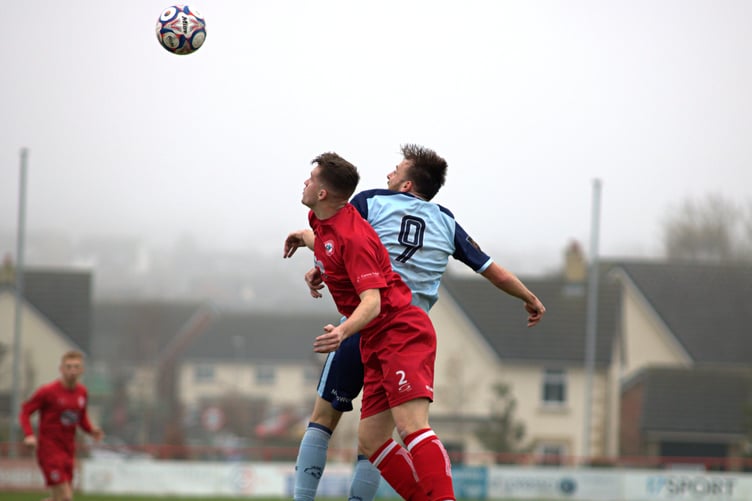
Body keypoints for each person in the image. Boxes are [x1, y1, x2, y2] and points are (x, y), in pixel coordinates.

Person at [284, 144, 546, 501]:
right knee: (373, 439)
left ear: (407, 186)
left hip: (380, 325)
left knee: (331, 420)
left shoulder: (370, 202)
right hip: (386, 327)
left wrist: (322, 268)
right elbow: (492, 271)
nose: (389, 174)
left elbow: (343, 241)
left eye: (396, 169)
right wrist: (527, 297)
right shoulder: (447, 222)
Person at [290, 151, 461, 500]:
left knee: (411, 426)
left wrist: (342, 331)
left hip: (398, 329)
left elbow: (373, 300)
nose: (305, 183)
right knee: (371, 439)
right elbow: (323, 241)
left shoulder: (358, 230)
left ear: (323, 193)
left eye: (311, 179)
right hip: (373, 337)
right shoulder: (326, 221)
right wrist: (302, 239)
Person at [19, 350, 104, 501]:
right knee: (65, 497)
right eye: (69, 367)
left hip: (68, 450)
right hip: (49, 450)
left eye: (76, 367)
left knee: (58, 498)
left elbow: (80, 418)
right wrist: (29, 435)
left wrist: (91, 430)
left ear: (82, 370)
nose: (72, 371)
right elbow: (25, 411)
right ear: (61, 369)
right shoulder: (48, 391)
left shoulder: (82, 392)